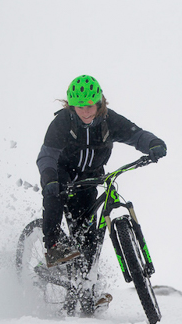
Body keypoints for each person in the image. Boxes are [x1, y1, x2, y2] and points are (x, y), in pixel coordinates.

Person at [36, 75, 167, 267]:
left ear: (99, 103)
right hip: (61, 173)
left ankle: (84, 290)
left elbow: (136, 135)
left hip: (91, 177)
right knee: (55, 194)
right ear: (72, 106)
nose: (86, 112)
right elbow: (47, 154)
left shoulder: (109, 120)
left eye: (90, 106)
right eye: (80, 107)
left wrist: (153, 144)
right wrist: (49, 178)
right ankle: (53, 246)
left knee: (87, 239)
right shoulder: (64, 122)